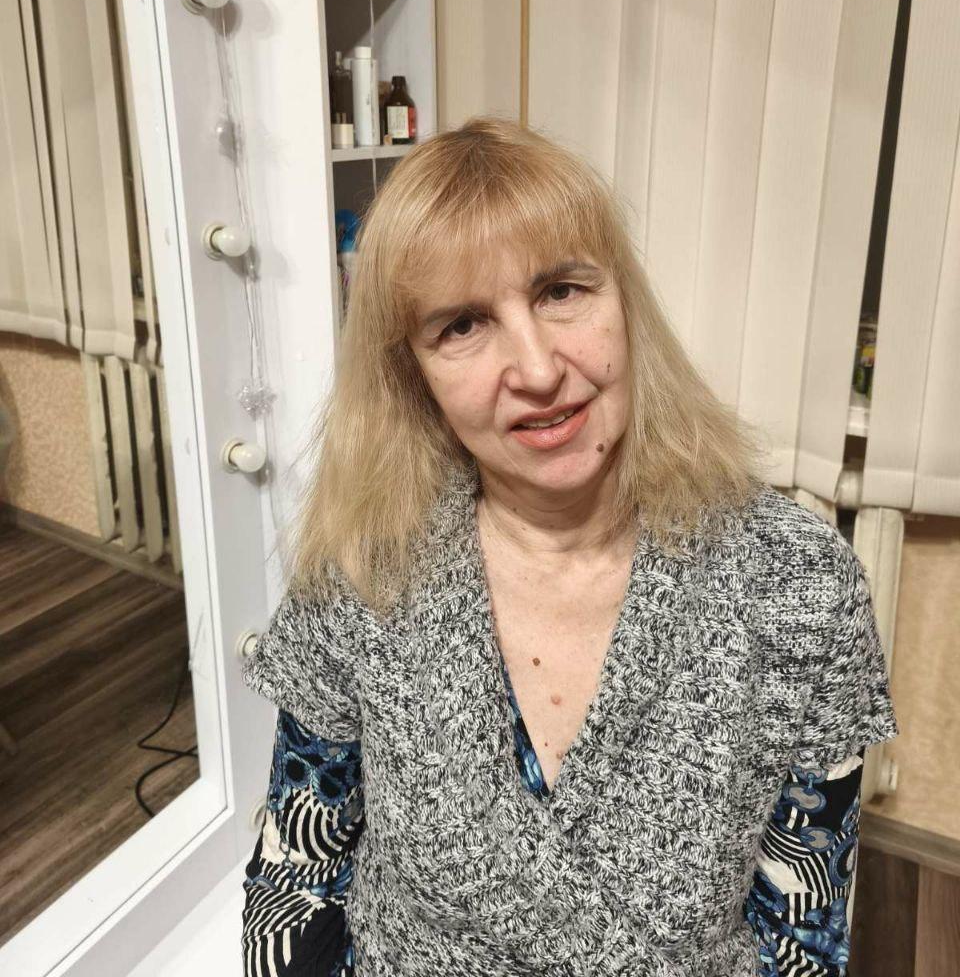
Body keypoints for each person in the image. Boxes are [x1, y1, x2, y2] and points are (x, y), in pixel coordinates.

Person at [240, 117, 898, 976]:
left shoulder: (796, 583)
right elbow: (296, 876)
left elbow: (804, 928)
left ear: (623, 302)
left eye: (560, 291)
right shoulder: (364, 573)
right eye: (462, 325)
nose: (540, 369)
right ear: (413, 376)